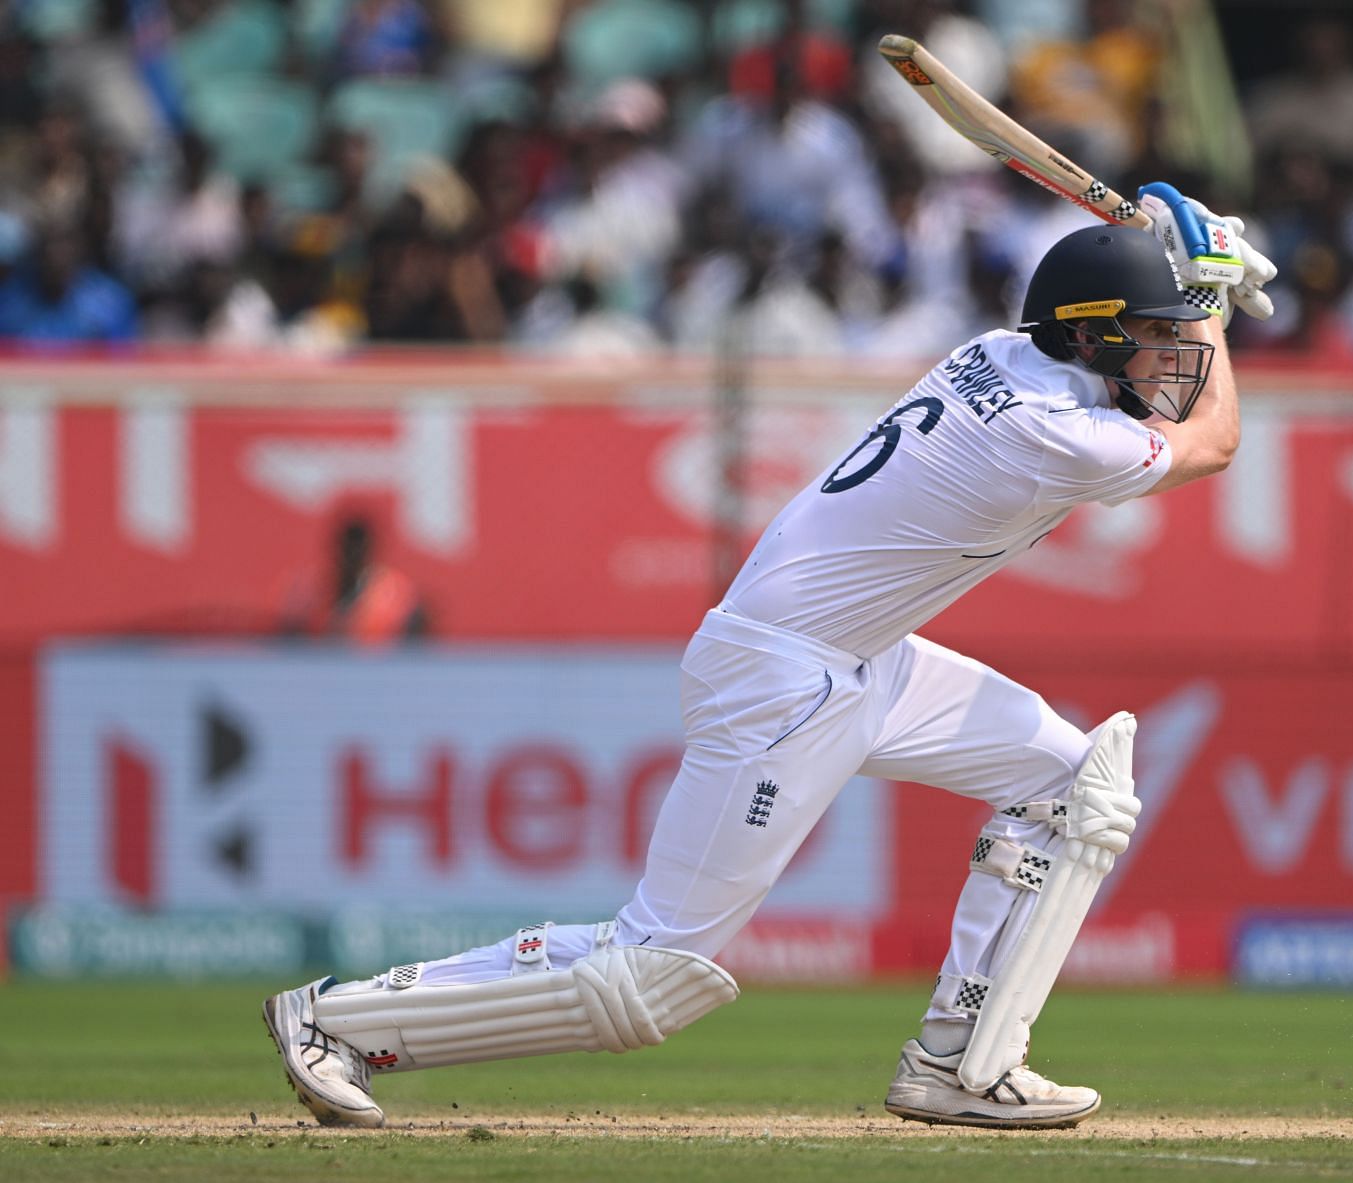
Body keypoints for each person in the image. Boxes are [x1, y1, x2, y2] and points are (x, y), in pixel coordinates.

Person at [261, 185, 1275, 1131]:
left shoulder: (1003, 354)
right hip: (786, 675)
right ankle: (342, 1021)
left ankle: (964, 1060)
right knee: (653, 971)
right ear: (1091, 333)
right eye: (1151, 338)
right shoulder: (1059, 430)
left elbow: (1149, 384)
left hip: (861, 656)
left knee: (1074, 786)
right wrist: (1215, 301)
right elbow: (1215, 441)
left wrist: (1186, 281)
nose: (1169, 357)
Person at [278, 514, 431, 645]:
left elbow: (416, 645)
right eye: (348, 552)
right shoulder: (310, 591)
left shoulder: (397, 595)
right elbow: (291, 640)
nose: (353, 559)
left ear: (369, 553)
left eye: (358, 552)